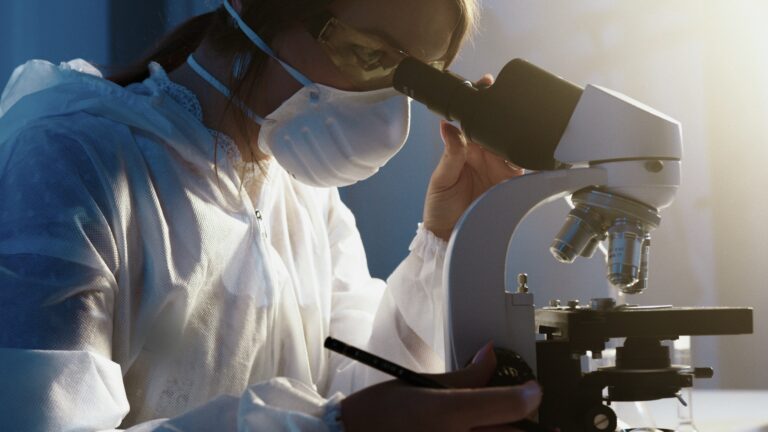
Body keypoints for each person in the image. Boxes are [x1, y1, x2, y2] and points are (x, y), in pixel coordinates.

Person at [0, 0, 539, 430]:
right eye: (373, 55)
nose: (387, 110)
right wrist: (328, 427)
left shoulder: (303, 193)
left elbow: (367, 388)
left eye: (417, 83)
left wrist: (444, 238)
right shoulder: (71, 162)